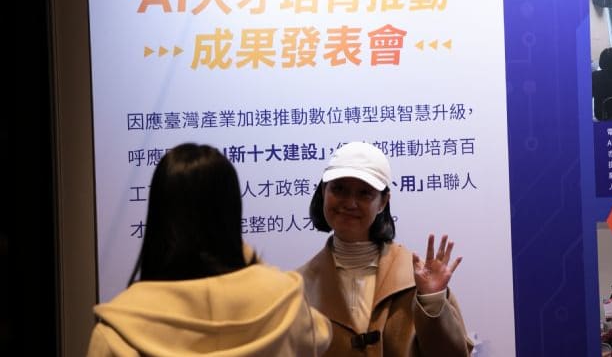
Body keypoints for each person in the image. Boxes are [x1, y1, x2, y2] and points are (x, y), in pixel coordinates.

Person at [87, 143, 332, 357]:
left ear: (159, 218)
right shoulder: (285, 303)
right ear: (231, 212)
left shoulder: (120, 327)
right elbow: (321, 334)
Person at [298, 141, 472, 356]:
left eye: (364, 193)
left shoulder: (417, 279)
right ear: (324, 191)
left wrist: (432, 302)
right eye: (339, 189)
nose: (350, 203)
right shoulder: (298, 287)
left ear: (383, 202)